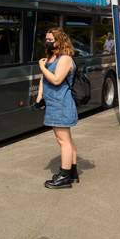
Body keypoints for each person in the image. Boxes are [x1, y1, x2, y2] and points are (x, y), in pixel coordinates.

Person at [35, 27, 79, 189]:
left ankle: (64, 177)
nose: (47, 42)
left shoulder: (65, 59)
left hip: (61, 104)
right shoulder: (53, 56)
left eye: (50, 40)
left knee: (63, 141)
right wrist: (40, 96)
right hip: (54, 103)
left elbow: (55, 80)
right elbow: (44, 80)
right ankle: (72, 173)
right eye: (46, 39)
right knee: (66, 139)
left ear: (59, 40)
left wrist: (42, 67)